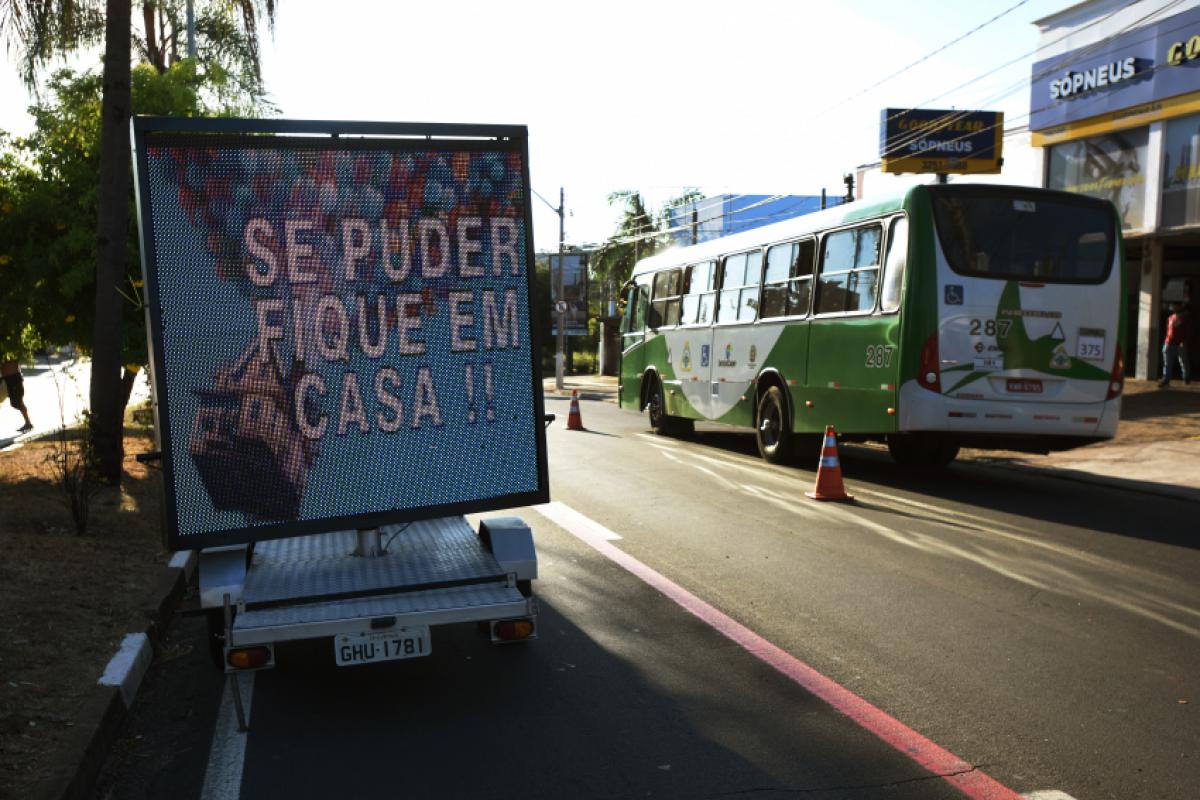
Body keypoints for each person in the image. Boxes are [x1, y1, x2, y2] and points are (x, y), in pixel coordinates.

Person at [1159, 303, 1191, 387]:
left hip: (1180, 343)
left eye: (1176, 306)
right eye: (1173, 306)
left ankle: (1186, 377)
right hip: (1169, 342)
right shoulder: (1170, 318)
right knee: (1167, 362)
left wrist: (1184, 341)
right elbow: (1168, 330)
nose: (1173, 308)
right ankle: (1166, 379)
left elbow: (1187, 330)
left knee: (1183, 361)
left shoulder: (1184, 318)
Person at [1, 359, 33, 433]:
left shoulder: (11, 352)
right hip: (7, 380)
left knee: (17, 403)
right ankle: (28, 423)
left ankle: (28, 423)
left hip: (13, 379)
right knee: (17, 403)